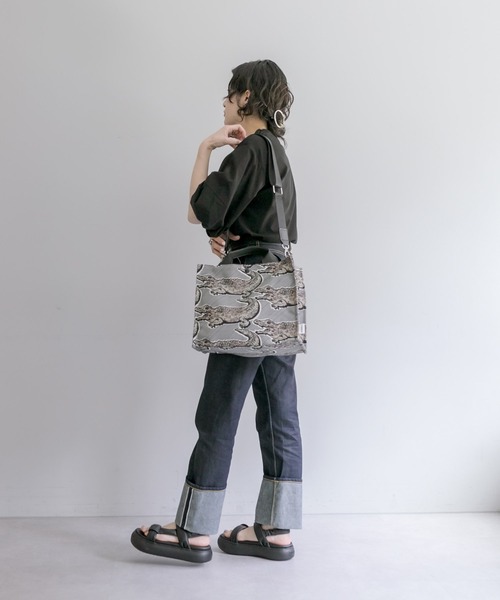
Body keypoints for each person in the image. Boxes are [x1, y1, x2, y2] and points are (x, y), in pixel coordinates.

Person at [131, 59, 302, 563]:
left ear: (246, 97)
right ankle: (276, 529)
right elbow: (259, 223)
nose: (225, 102)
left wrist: (206, 147)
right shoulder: (277, 151)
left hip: (246, 294)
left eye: (230, 94)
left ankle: (193, 529)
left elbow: (198, 210)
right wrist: (232, 234)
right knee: (279, 412)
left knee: (219, 409)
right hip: (279, 291)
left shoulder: (249, 148)